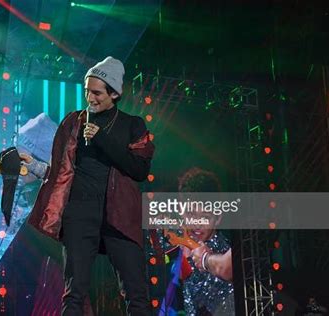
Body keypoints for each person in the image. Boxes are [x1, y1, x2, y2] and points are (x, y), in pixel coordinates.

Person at [23, 56, 155, 315]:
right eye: (87, 91)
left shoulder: (132, 124)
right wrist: (37, 168)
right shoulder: (73, 122)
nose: (90, 98)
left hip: (120, 217)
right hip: (80, 215)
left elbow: (139, 170)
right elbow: (63, 173)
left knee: (137, 295)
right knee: (74, 295)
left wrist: (101, 138)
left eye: (96, 93)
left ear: (114, 93)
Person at [159, 167, 234, 315]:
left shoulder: (225, 253)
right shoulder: (171, 245)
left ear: (218, 218)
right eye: (191, 214)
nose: (197, 224)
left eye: (205, 217)